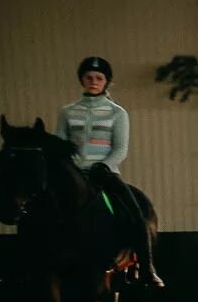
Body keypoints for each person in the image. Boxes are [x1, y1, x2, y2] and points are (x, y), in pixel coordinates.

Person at [57, 56, 157, 283]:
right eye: (89, 77)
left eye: (99, 78)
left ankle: (148, 268)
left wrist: (103, 166)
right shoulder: (67, 112)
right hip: (73, 173)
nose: (93, 81)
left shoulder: (117, 113)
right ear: (82, 80)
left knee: (136, 215)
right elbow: (59, 145)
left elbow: (120, 148)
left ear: (106, 82)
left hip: (104, 172)